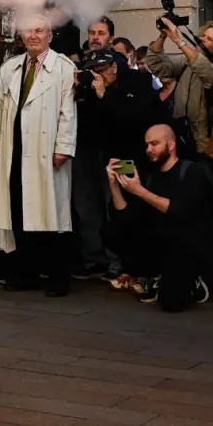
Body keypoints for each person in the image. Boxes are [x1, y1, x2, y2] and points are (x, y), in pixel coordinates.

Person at [0, 13, 78, 296]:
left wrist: (63, 147)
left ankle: (58, 278)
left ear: (50, 36)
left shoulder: (63, 67)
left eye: (40, 31)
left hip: (46, 150)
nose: (33, 36)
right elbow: (0, 111)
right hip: (14, 150)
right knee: (18, 210)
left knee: (52, 214)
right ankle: (24, 274)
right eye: (28, 31)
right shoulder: (10, 68)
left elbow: (69, 112)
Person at [72, 45, 160, 279]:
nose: (98, 75)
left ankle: (120, 259)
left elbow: (132, 120)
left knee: (120, 203)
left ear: (114, 67)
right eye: (93, 71)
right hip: (91, 151)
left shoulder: (137, 81)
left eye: (102, 70)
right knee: (88, 204)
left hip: (125, 154)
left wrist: (104, 95)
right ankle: (93, 258)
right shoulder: (88, 85)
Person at [106, 123, 213, 310]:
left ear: (171, 145)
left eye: (154, 144)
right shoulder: (152, 177)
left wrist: (140, 191)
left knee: (171, 303)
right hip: (160, 244)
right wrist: (114, 185)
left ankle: (193, 282)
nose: (149, 149)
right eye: (147, 145)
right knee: (116, 229)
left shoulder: (191, 172)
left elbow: (182, 211)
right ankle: (152, 276)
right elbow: (125, 217)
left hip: (187, 247)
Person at [144, 18, 213, 161]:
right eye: (202, 35)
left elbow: (204, 69)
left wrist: (178, 40)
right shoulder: (186, 63)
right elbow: (157, 65)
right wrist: (163, 35)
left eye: (209, 39)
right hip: (182, 142)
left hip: (208, 148)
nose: (202, 39)